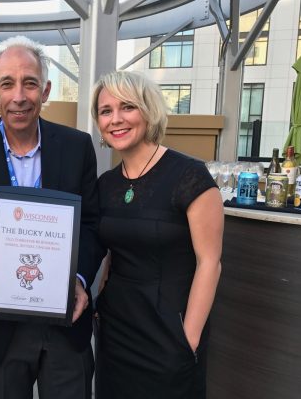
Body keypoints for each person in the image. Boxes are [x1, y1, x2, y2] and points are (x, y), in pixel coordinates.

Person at [0, 36, 104, 399]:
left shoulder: (77, 147)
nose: (19, 96)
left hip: (66, 322)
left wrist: (79, 278)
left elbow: (91, 225)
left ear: (45, 90)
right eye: (7, 83)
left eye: (30, 83)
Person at [91, 71, 223, 398]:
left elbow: (210, 262)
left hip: (169, 332)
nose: (116, 119)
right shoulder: (105, 185)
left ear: (148, 111)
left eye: (127, 108)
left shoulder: (189, 175)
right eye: (106, 111)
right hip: (115, 330)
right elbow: (112, 251)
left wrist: (188, 339)